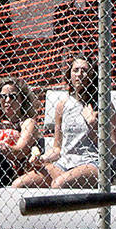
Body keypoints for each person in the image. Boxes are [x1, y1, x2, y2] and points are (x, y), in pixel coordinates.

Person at [13, 55, 109, 189]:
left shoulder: (103, 105)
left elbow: (112, 148)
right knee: (19, 185)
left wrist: (93, 126)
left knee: (58, 185)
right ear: (69, 74)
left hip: (92, 163)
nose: (79, 74)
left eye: (84, 70)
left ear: (93, 75)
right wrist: (43, 159)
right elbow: (58, 148)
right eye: (75, 70)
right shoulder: (62, 105)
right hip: (64, 163)